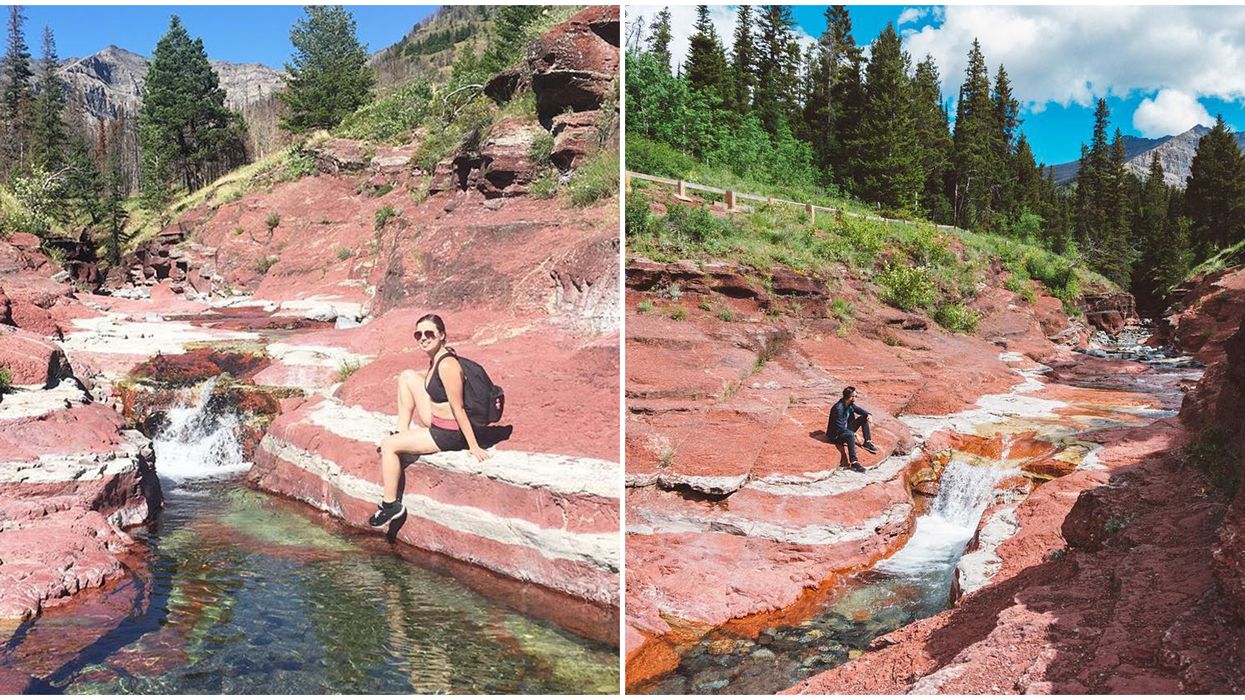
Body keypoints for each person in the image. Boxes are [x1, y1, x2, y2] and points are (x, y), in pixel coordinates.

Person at [369, 313, 489, 528]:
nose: (423, 338)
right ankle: (401, 432)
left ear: (442, 335)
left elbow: (458, 407)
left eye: (429, 333)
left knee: (388, 446)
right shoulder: (436, 358)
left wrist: (473, 446)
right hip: (436, 420)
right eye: (418, 334)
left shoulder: (447, 364)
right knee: (407, 376)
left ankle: (391, 506)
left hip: (448, 434)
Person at [826, 385, 878, 472]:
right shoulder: (838, 408)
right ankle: (854, 462)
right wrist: (855, 434)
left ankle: (867, 442)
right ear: (850, 397)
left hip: (844, 430)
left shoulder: (849, 404)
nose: (856, 398)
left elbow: (859, 410)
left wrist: (869, 414)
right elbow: (839, 427)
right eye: (855, 396)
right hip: (836, 435)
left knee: (864, 417)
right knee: (850, 435)